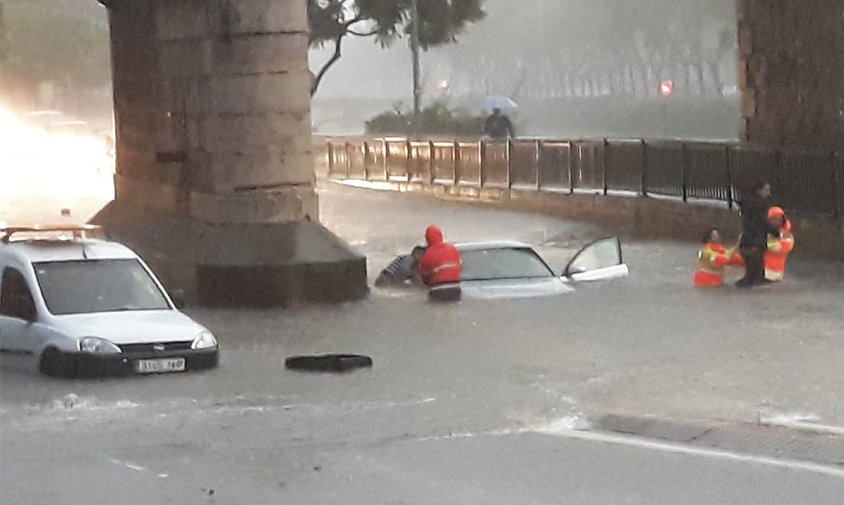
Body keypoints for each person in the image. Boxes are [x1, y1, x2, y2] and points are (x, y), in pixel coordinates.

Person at [736, 181, 775, 287]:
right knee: (756, 265)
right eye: (766, 190)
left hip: (748, 237)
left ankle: (752, 280)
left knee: (751, 266)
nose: (769, 193)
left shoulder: (747, 203)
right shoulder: (759, 204)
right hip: (756, 237)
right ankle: (754, 282)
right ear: (759, 190)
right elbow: (762, 221)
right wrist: (775, 232)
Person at [764, 206, 795, 282]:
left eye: (779, 220)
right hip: (761, 270)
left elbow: (782, 247)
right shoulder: (764, 232)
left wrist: (762, 244)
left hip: (773, 273)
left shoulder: (787, 235)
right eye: (773, 219)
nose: (776, 222)